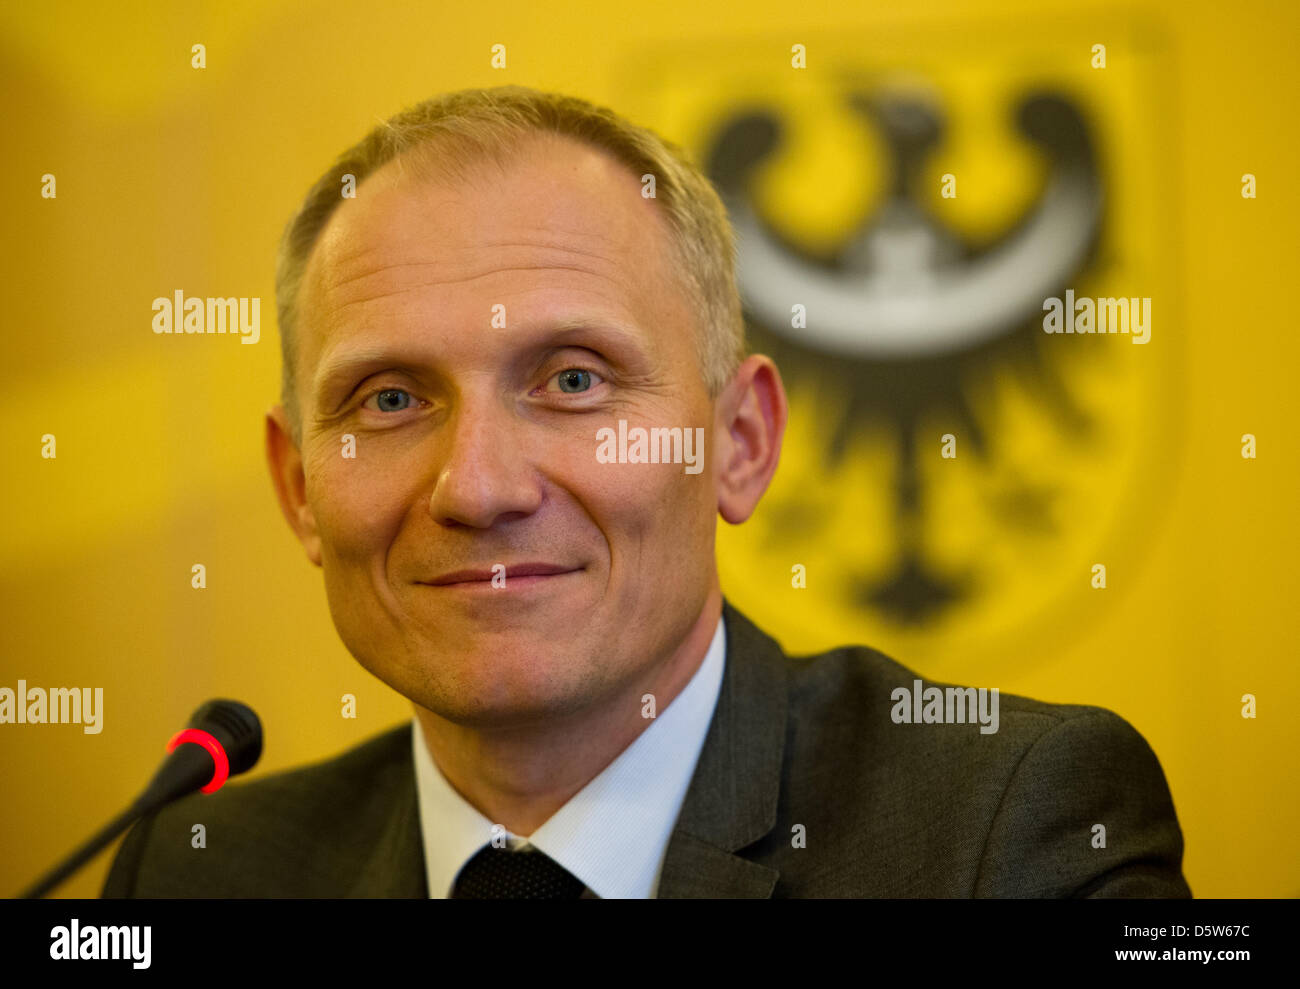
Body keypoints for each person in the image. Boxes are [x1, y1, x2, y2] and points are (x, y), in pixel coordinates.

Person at [103, 86, 1190, 898]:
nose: (477, 486)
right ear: (297, 486)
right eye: (388, 400)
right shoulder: (194, 873)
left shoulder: (1012, 832)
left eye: (574, 379)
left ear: (738, 441)